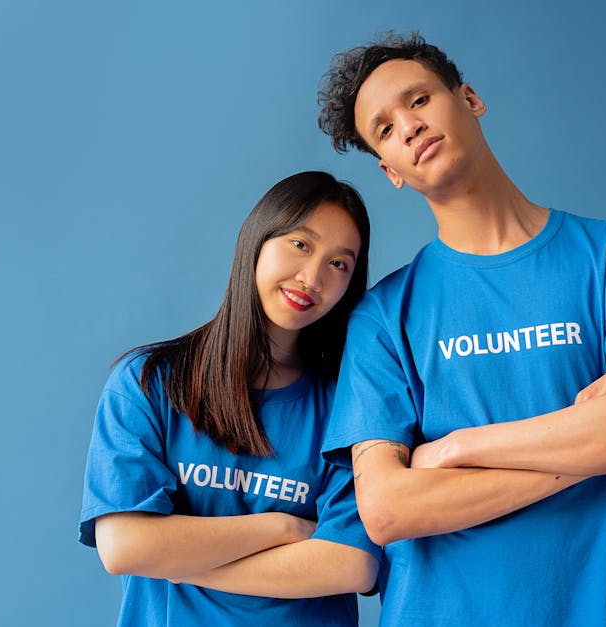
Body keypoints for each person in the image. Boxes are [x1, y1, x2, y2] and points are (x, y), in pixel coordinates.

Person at [316, 33, 606, 626]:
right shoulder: (382, 315)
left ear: (469, 97)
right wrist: (584, 439)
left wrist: (455, 449)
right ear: (390, 171)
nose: (410, 127)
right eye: (387, 130)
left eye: (418, 100)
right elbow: (389, 509)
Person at [78, 171, 380, 626]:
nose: (312, 276)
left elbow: (351, 564)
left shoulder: (348, 403)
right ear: (256, 241)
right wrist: (283, 527)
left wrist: (180, 559)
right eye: (301, 244)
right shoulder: (149, 382)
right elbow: (124, 546)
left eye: (339, 263)